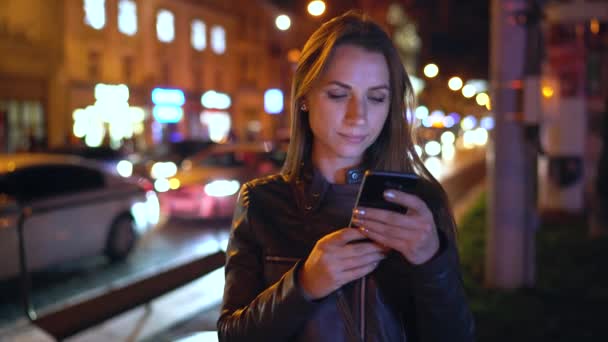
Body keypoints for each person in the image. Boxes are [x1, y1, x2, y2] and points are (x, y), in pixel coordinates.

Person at [218, 10, 475, 341]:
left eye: (376, 98)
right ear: (305, 98)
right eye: (339, 94)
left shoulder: (420, 204)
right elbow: (232, 336)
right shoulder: (263, 202)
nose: (359, 116)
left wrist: (430, 261)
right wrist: (304, 284)